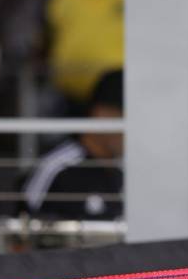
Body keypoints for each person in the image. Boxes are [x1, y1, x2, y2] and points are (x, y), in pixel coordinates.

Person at [21, 69, 123, 220]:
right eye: (125, 118)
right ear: (102, 114)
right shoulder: (58, 167)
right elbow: (19, 232)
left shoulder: (124, 171)